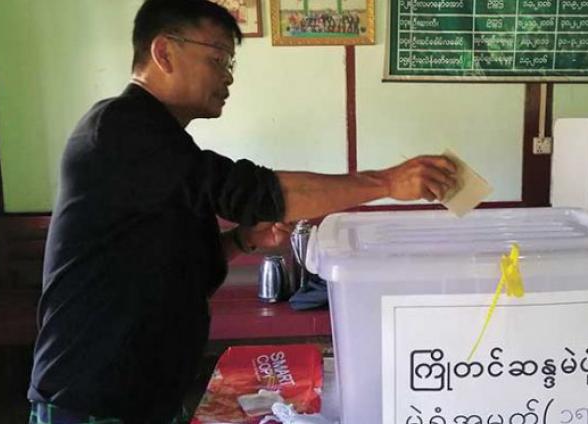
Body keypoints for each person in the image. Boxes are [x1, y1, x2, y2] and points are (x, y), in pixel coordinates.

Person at [27, 0, 457, 423]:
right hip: (92, 395)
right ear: (163, 52)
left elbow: (177, 264)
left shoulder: (159, 142)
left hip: (143, 390)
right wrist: (386, 182)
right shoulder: (122, 127)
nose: (228, 76)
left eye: (229, 63)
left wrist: (243, 239)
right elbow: (253, 191)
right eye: (217, 59)